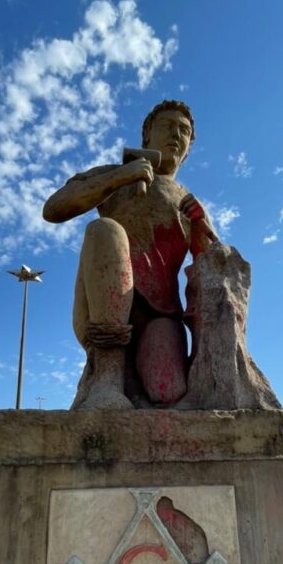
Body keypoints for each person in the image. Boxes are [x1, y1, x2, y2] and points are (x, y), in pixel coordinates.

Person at [43, 100, 217, 410]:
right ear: (147, 134)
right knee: (105, 229)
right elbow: (54, 208)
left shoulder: (189, 203)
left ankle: (136, 381)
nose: (176, 134)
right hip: (102, 311)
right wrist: (119, 178)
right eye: (167, 126)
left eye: (184, 130)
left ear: (189, 146)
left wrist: (207, 234)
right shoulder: (117, 175)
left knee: (166, 390)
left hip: (160, 315)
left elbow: (211, 269)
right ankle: (107, 378)